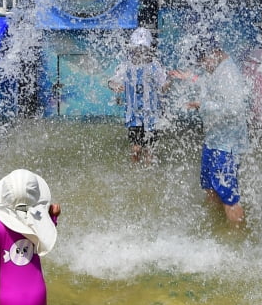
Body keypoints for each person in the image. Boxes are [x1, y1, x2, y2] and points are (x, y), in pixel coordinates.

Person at [181, 35, 251, 225]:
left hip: (226, 146)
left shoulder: (229, 75)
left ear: (216, 53)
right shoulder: (218, 70)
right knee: (210, 188)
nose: (204, 66)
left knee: (229, 196)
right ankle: (215, 227)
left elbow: (234, 109)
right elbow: (212, 90)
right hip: (214, 140)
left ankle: (237, 238)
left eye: (204, 61)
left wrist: (201, 105)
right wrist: (192, 79)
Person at [0, 169, 60, 305]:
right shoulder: (37, 220)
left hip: (10, 300)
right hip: (38, 295)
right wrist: (53, 217)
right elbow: (46, 234)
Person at [108, 27, 168, 164]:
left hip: (151, 114)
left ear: (148, 50)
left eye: (143, 50)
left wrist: (167, 84)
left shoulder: (154, 66)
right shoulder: (126, 66)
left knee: (150, 148)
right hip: (134, 115)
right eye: (137, 50)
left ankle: (147, 172)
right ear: (132, 50)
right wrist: (115, 86)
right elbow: (111, 81)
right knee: (136, 147)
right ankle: (135, 170)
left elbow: (163, 85)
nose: (139, 53)